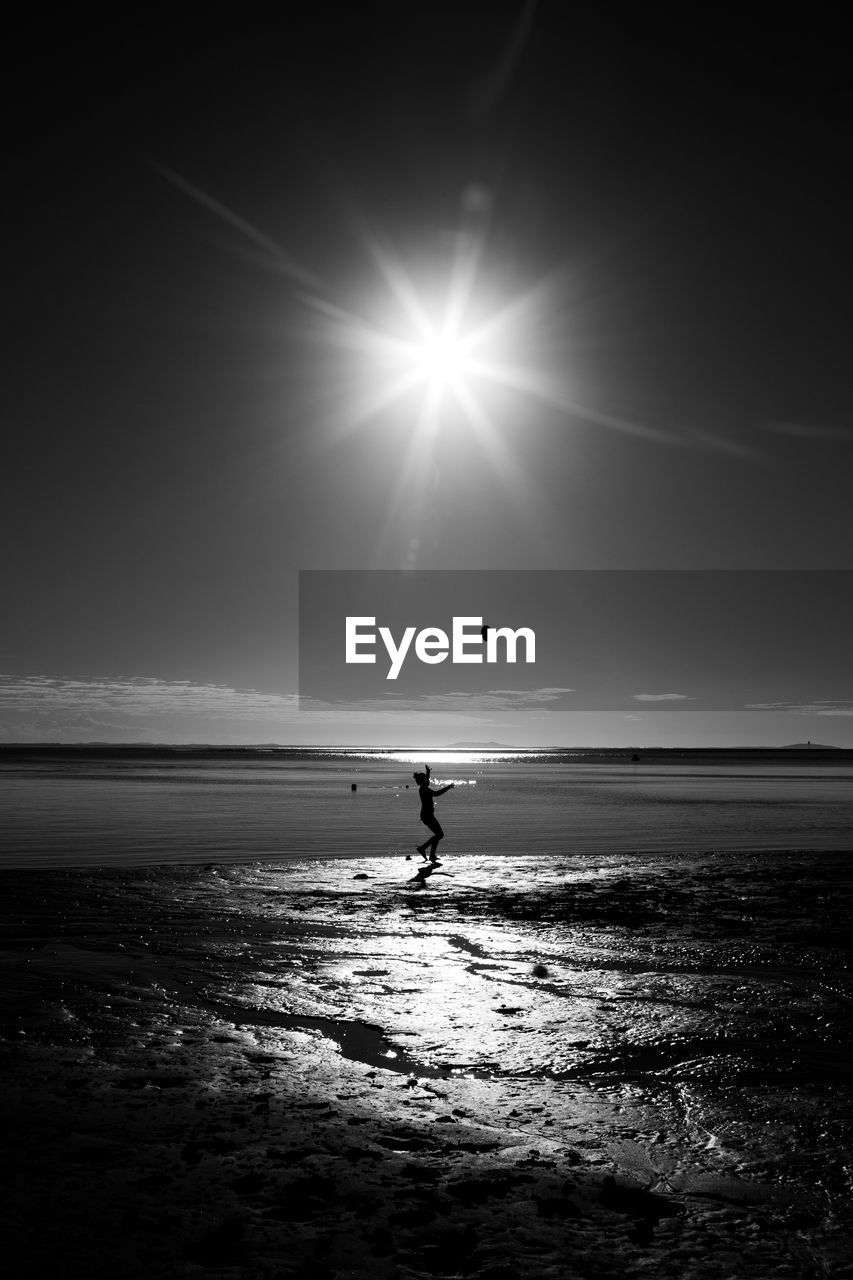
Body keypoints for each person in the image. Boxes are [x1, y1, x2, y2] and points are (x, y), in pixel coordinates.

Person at [413, 764, 454, 863]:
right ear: (423, 781)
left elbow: (426, 779)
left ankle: (431, 855)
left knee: (438, 834)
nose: (428, 781)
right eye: (426, 779)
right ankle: (423, 849)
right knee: (439, 834)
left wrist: (428, 771)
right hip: (427, 816)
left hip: (427, 815)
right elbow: (436, 794)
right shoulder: (424, 789)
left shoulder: (423, 787)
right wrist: (447, 788)